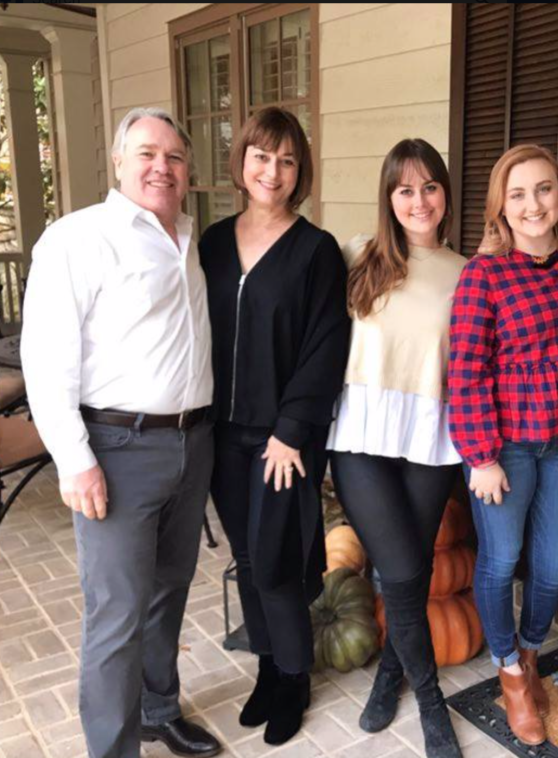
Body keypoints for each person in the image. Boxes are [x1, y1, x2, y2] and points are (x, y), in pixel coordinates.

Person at [21, 107, 220, 758]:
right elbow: (46, 358)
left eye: (174, 156)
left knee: (169, 592)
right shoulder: (78, 239)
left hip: (192, 443)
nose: (162, 166)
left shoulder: (187, 235)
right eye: (146, 154)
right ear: (117, 162)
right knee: (117, 614)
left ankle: (158, 712)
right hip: (118, 450)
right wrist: (74, 459)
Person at [448, 144, 558, 747]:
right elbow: (466, 369)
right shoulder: (484, 274)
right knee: (500, 561)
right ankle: (511, 675)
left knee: (552, 567)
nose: (532, 204)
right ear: (500, 206)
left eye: (543, 189)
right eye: (517, 194)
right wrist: (480, 455)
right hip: (507, 444)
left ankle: (529, 651)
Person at [199, 107, 351, 746]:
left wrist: (291, 429)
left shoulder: (316, 251)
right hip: (220, 434)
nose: (273, 170)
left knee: (277, 561)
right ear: (242, 162)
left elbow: (326, 345)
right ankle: (267, 667)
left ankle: (294, 676)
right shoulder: (211, 243)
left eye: (287, 160)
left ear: (300, 172)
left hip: (281, 440)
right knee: (245, 556)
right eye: (262, 156)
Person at [327, 138, 467, 758]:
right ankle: (431, 701)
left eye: (429, 186)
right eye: (405, 189)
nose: (419, 200)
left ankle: (390, 674)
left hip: (430, 435)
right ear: (389, 198)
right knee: (404, 569)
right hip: (360, 434)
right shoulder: (357, 255)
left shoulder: (467, 271)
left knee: (410, 568)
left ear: (445, 195)